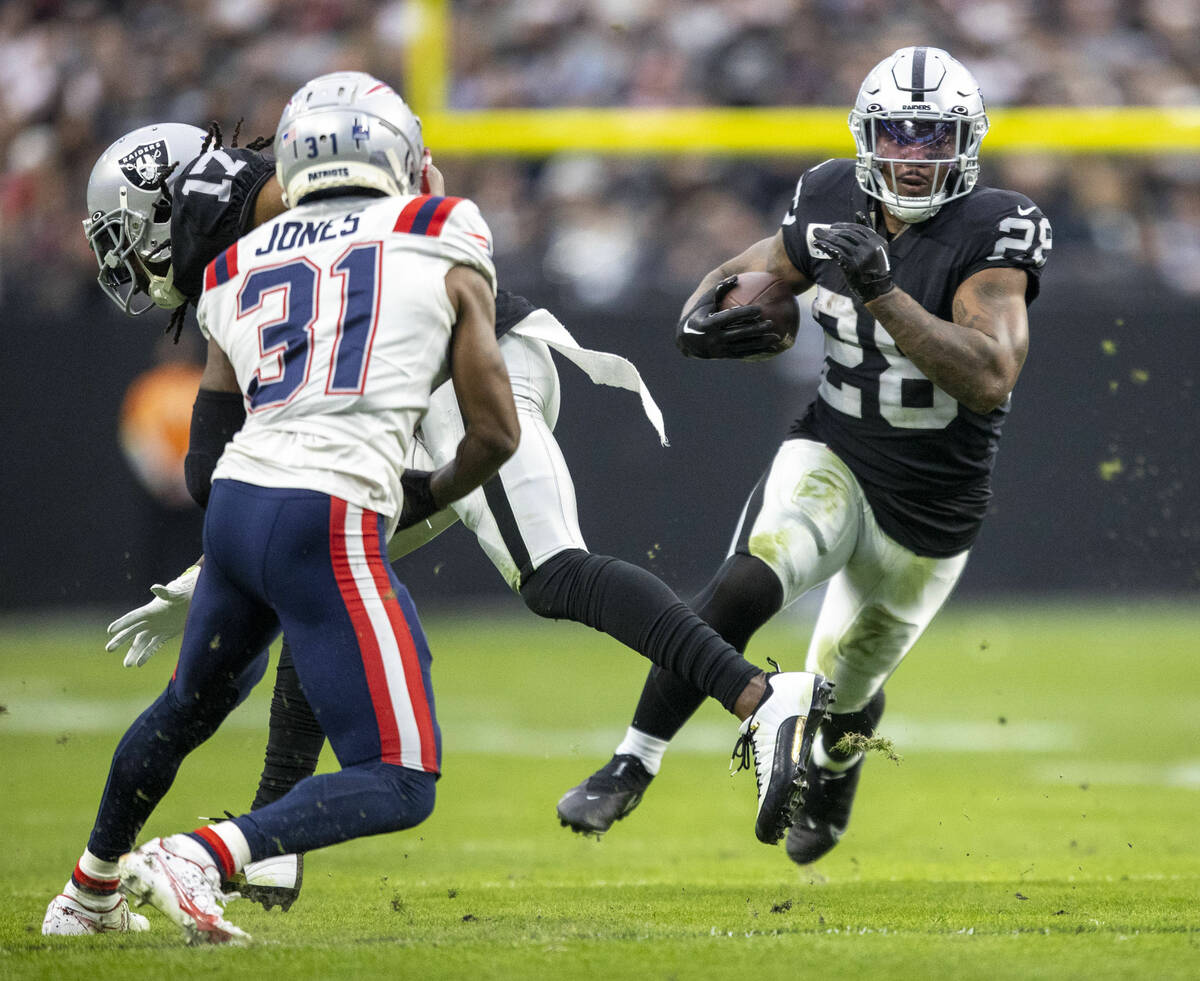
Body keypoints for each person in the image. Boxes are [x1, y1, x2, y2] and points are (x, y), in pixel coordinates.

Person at [49, 70, 830, 941]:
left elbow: (225, 458)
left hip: (462, 363)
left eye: (127, 239)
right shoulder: (275, 222)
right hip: (395, 389)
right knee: (326, 574)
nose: (130, 265)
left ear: (167, 205)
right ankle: (260, 835)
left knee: (548, 569)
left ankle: (763, 697)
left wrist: (254, 537)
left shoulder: (243, 239)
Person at [42, 71, 520, 943]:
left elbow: (205, 458)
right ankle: (203, 853)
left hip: (237, 509)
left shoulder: (234, 264)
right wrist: (427, 490)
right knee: (402, 775)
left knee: (189, 702)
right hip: (325, 514)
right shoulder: (443, 227)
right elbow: (494, 434)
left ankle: (87, 891)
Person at [555, 46, 1052, 865]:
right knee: (745, 582)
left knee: (842, 695)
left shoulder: (993, 228)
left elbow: (990, 375)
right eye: (897, 135)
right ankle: (631, 760)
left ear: (967, 143)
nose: (913, 156)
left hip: (933, 506)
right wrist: (696, 318)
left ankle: (836, 761)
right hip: (835, 450)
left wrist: (882, 291)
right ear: (867, 137)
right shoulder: (829, 194)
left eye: (934, 136)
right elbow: (746, 269)